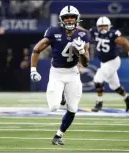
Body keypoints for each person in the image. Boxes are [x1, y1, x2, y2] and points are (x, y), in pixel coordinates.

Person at [30, 5, 90, 145]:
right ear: (61, 20)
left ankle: (58, 135)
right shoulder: (53, 31)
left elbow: (86, 63)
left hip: (73, 73)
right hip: (57, 72)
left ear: (77, 19)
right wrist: (33, 69)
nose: (69, 20)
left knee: (73, 108)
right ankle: (61, 94)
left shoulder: (83, 34)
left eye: (72, 17)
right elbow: (37, 49)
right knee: (53, 107)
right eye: (66, 17)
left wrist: (81, 51)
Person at [89, 16, 129, 112]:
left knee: (98, 79)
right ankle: (128, 99)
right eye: (100, 26)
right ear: (97, 27)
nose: (103, 28)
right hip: (104, 63)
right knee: (114, 86)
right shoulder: (94, 32)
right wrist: (75, 26)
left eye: (105, 26)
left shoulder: (113, 34)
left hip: (113, 61)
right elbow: (84, 31)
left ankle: (99, 103)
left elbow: (126, 43)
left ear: (109, 26)